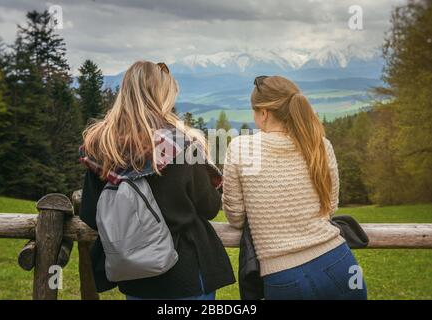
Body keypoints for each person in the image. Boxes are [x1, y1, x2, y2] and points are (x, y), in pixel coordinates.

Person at [79, 60, 235, 300]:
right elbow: (209, 207)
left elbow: (90, 214)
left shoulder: (102, 147)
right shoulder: (181, 145)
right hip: (187, 271)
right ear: (162, 96)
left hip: (136, 276)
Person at [222, 75, 367, 300]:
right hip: (342, 264)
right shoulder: (319, 144)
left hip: (284, 277)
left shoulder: (241, 148)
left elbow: (236, 218)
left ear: (264, 113)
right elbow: (330, 206)